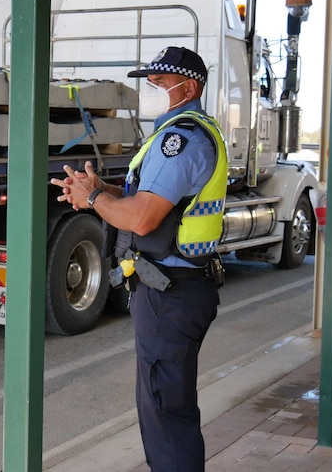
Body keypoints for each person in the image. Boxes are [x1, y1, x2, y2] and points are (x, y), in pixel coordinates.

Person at [51, 46, 229, 471]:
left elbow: (145, 219)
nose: (150, 88)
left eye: (160, 83)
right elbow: (152, 202)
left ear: (189, 87)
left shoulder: (179, 140)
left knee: (167, 416)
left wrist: (93, 198)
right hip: (174, 290)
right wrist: (104, 190)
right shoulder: (184, 131)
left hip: (171, 293)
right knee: (164, 409)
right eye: (149, 81)